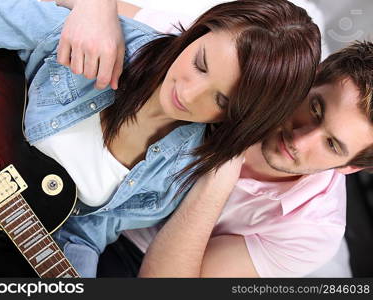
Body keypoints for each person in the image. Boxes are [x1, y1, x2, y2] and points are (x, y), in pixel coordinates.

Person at [0, 0, 321, 277]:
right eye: (201, 63)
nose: (189, 94)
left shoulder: (178, 172)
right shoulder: (105, 40)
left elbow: (82, 232)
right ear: (199, 32)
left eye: (221, 100)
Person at [57, 1, 373, 277]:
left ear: (349, 167)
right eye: (315, 109)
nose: (300, 140)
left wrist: (220, 175)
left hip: (135, 253)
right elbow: (96, 14)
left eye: (332, 144)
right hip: (72, 174)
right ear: (310, 78)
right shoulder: (241, 68)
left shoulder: (314, 231)